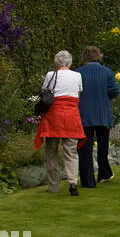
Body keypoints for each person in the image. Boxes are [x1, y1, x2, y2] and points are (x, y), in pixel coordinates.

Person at [33, 50, 85, 195]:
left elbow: (45, 93)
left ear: (56, 63)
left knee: (51, 151)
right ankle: (73, 182)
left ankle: (53, 186)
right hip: (71, 116)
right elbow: (78, 96)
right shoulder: (77, 75)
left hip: (53, 116)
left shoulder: (51, 75)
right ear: (70, 63)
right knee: (71, 152)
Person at [76, 46, 120, 188]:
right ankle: (104, 173)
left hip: (84, 113)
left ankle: (88, 180)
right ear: (98, 56)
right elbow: (114, 91)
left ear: (84, 57)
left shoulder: (78, 73)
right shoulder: (107, 72)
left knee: (84, 147)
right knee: (103, 145)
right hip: (102, 113)